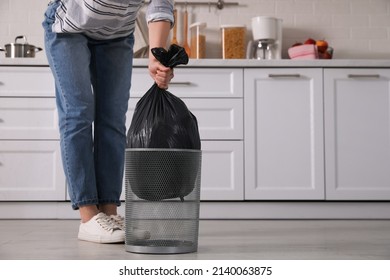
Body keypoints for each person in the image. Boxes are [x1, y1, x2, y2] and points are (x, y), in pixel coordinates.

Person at [42, 0, 174, 243]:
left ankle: (109, 213)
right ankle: (88, 216)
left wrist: (157, 54)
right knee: (78, 114)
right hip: (69, 26)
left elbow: (160, 6)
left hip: (117, 33)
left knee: (112, 119)